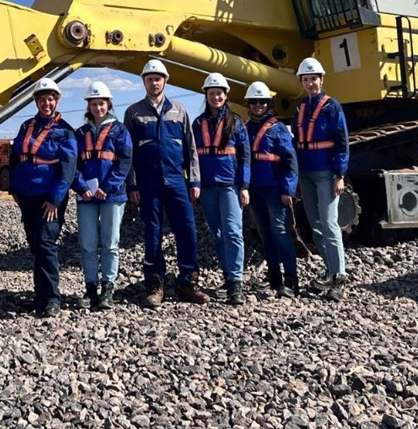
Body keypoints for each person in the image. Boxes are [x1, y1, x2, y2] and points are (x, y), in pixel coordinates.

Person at [124, 59, 208, 308]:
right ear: (144, 82)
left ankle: (188, 283)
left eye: (158, 78)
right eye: (150, 79)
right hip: (148, 183)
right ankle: (155, 285)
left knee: (187, 230)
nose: (154, 82)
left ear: (165, 81)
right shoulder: (134, 113)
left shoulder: (179, 110)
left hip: (176, 181)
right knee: (152, 233)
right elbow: (128, 154)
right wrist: (133, 185)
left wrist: (194, 180)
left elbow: (191, 148)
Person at [9, 77, 77, 318]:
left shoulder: (64, 131)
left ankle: (52, 298)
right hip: (27, 194)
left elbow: (68, 168)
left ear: (56, 101)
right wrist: (14, 190)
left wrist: (56, 199)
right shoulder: (26, 126)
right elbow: (15, 157)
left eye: (51, 98)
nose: (46, 103)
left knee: (46, 244)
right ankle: (40, 296)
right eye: (42, 98)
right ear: (36, 101)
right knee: (35, 245)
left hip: (49, 197)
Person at [72, 80, 133, 311]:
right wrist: (81, 187)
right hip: (86, 197)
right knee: (87, 244)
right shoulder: (80, 133)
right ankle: (90, 288)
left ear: (109, 104)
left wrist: (106, 187)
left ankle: (108, 288)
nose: (98, 108)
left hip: (112, 196)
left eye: (102, 103)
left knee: (110, 243)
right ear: (89, 106)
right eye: (94, 104)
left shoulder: (120, 131)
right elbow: (73, 165)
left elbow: (124, 163)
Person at [293, 57, 350, 301]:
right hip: (306, 173)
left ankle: (339, 276)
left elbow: (342, 142)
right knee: (315, 225)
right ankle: (329, 270)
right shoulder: (301, 108)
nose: (309, 84)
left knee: (329, 223)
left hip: (326, 173)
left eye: (313, 79)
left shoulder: (332, 107)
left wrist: (340, 175)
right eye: (305, 80)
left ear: (321, 80)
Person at [191, 73, 250, 306]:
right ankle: (227, 276)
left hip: (230, 186)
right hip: (207, 187)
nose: (216, 97)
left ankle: (236, 282)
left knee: (233, 232)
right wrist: (194, 184)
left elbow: (245, 157)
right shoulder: (197, 124)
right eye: (211, 93)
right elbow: (192, 156)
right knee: (218, 234)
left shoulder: (236, 123)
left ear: (226, 96)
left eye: (219, 93)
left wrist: (244, 186)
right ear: (206, 95)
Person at [243, 81, 300, 299]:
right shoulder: (246, 127)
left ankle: (291, 280)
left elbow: (290, 160)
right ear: (249, 103)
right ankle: (274, 277)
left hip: (275, 189)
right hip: (255, 189)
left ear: (269, 104)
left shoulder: (277, 129)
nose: (258, 105)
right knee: (265, 235)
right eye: (254, 102)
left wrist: (288, 189)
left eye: (263, 102)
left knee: (281, 232)